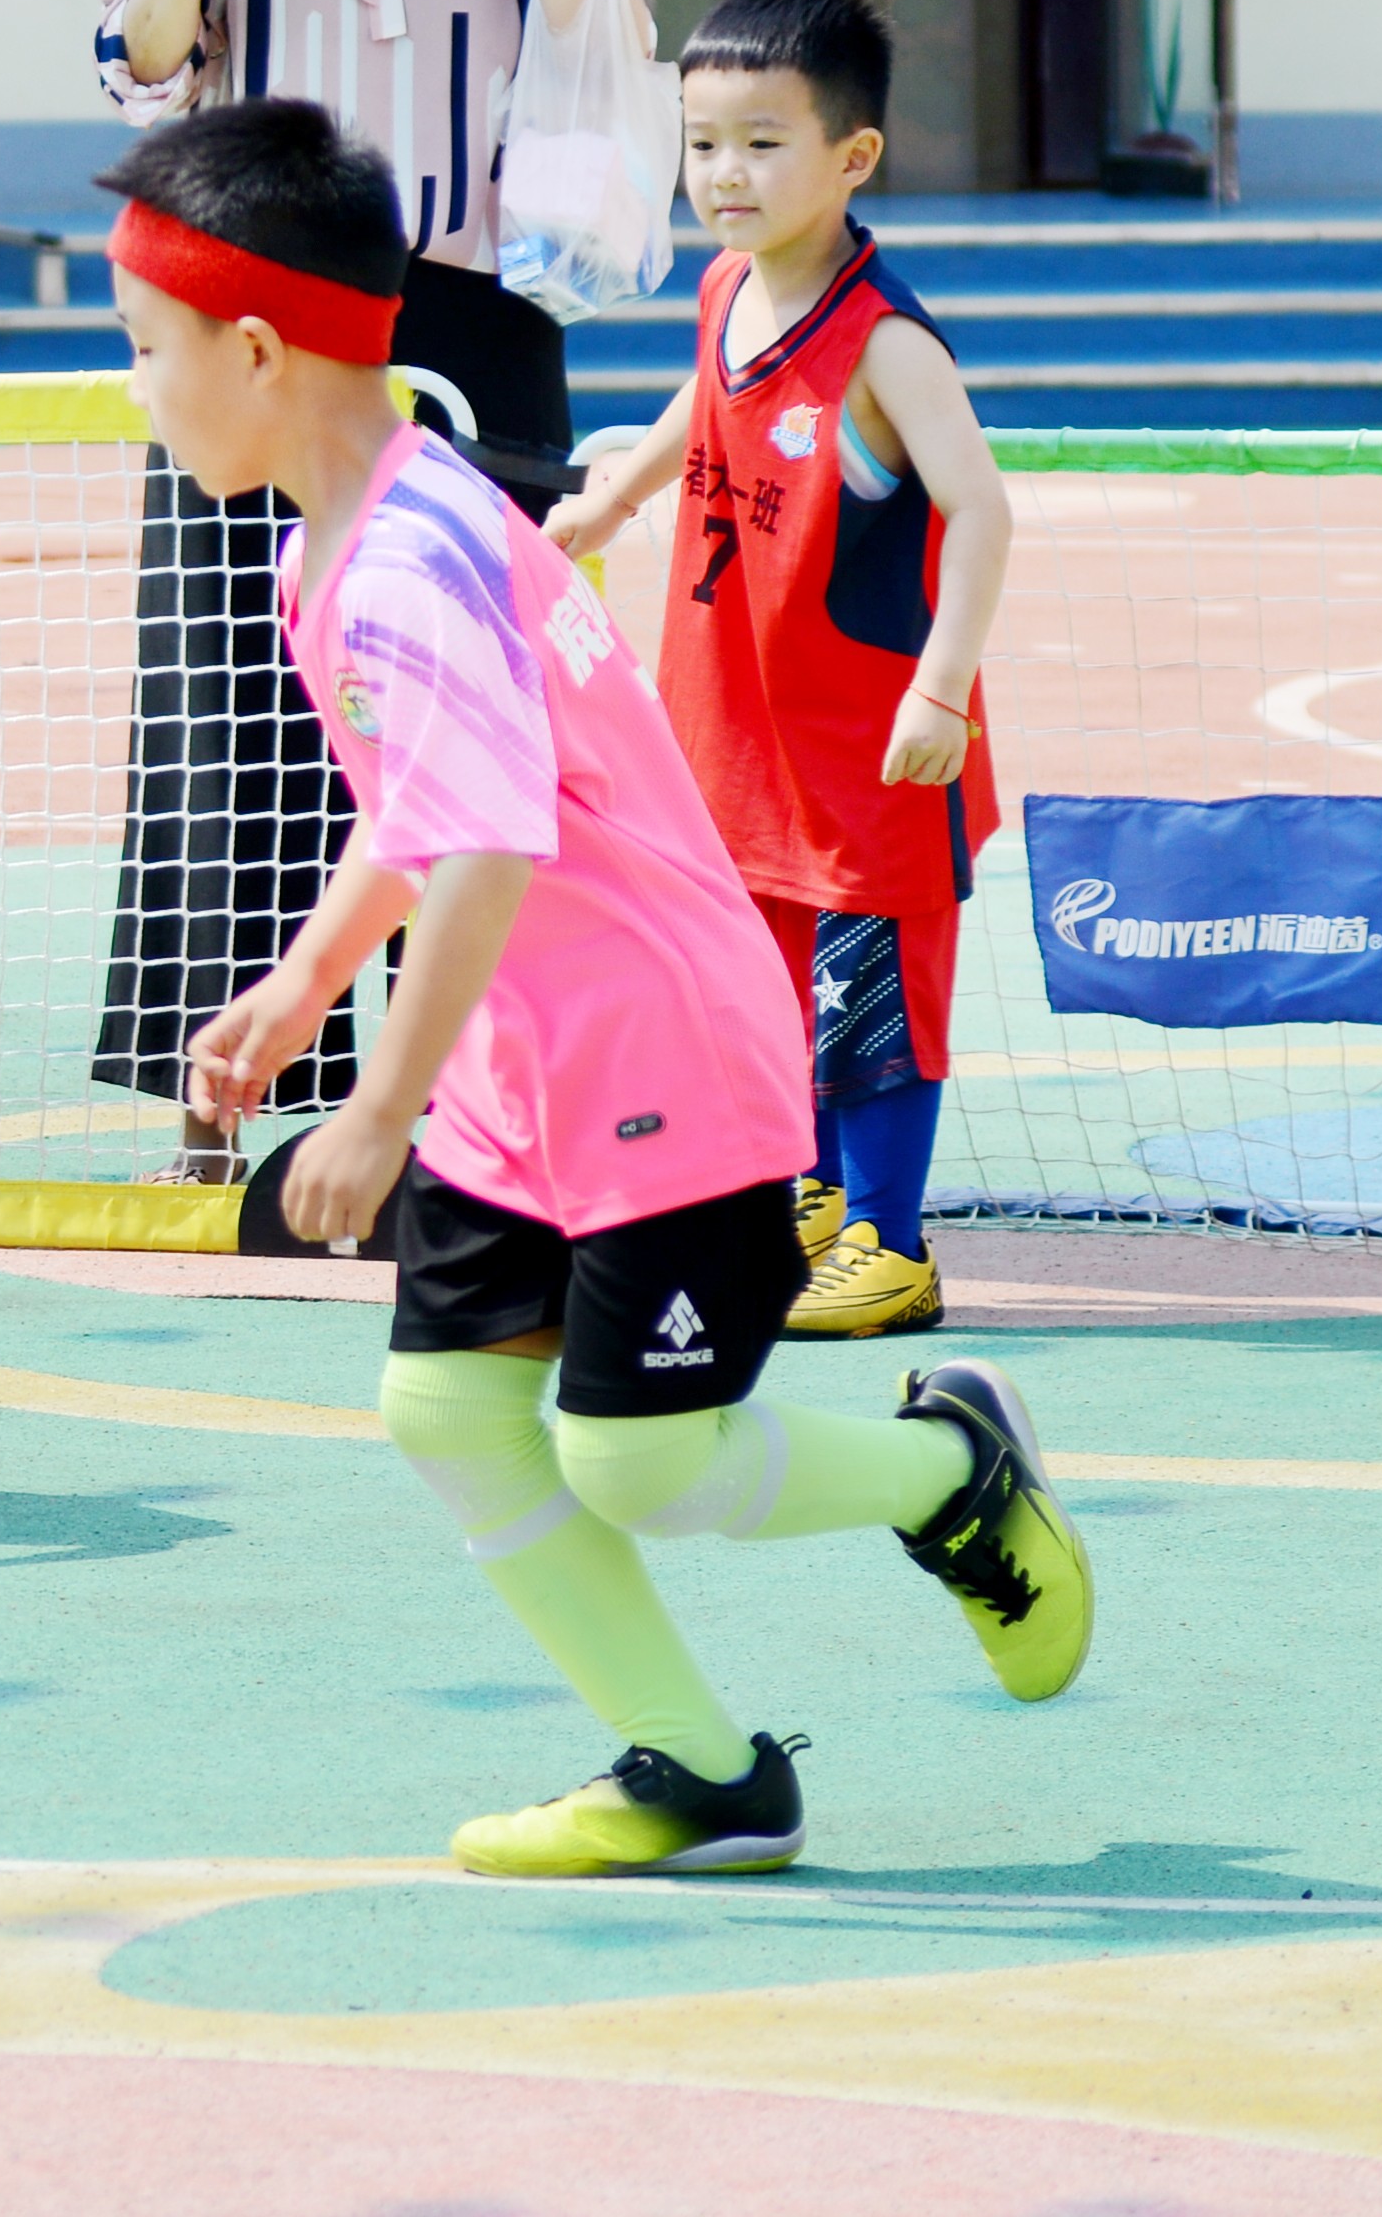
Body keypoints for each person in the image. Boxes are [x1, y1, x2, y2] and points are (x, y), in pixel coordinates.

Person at [114, 98, 1090, 1883]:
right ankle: (702, 1774)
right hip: (522, 1069)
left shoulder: (400, 566)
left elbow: (485, 846)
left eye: (145, 347)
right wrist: (307, 977)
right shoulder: (350, 529)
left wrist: (374, 1107)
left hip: (663, 1061)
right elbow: (430, 806)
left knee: (637, 1459)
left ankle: (946, 1471)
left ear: (253, 352)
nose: (136, 389)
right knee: (448, 1411)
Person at [89, 0, 646, 1185]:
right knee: (241, 695)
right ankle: (227, 1088)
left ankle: (483, 1094)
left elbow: (614, 60)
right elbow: (135, 67)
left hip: (477, 317)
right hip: (260, 319)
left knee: (479, 709)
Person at [546, 0, 1008, 1344]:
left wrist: (941, 687)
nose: (723, 174)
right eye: (701, 143)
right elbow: (702, 399)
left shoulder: (886, 343)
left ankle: (891, 1246)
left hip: (871, 745)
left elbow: (983, 511)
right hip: (740, 731)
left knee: (872, 999)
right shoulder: (727, 288)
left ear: (854, 157)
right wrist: (613, 501)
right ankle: (809, 1194)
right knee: (765, 979)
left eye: (761, 143)